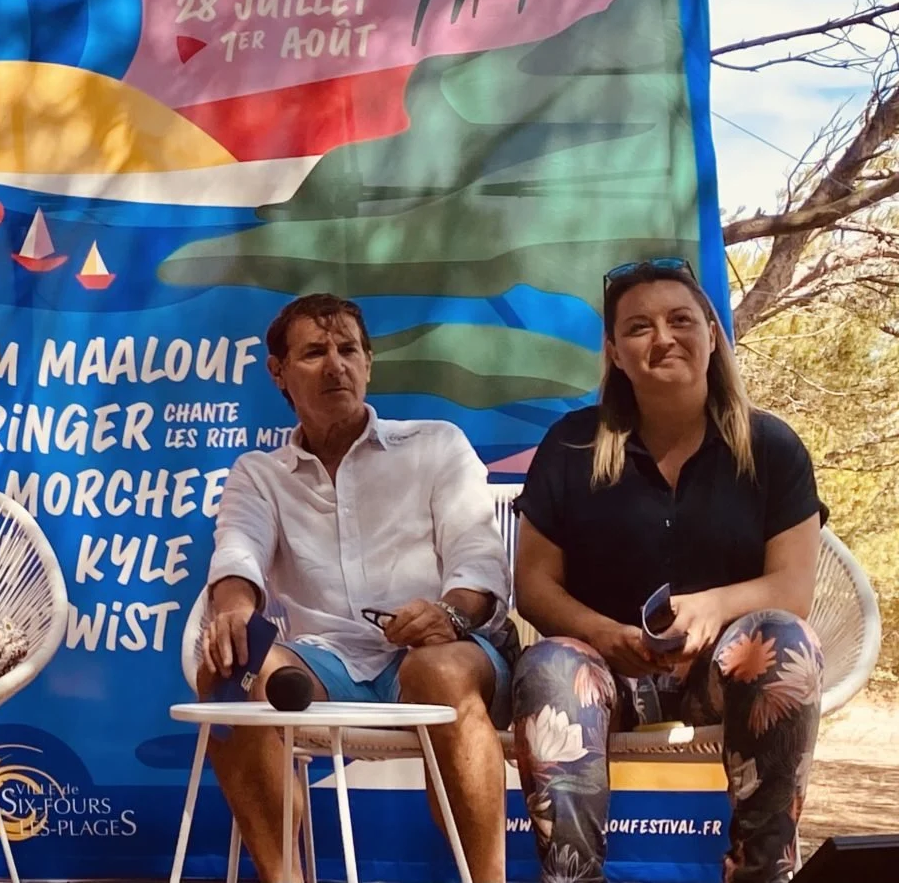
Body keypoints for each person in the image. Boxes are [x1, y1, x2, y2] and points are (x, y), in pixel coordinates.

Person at [512, 258, 825, 883]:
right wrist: (602, 633)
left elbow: (792, 589)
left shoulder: (772, 448)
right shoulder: (571, 445)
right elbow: (534, 586)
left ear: (712, 333)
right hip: (605, 674)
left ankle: (761, 871)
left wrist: (714, 606)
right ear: (614, 352)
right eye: (638, 327)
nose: (663, 338)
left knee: (781, 641)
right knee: (550, 666)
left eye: (681, 320)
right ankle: (573, 877)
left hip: (721, 676)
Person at [200, 292, 512, 883]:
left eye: (348, 350)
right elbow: (237, 553)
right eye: (314, 353)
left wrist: (449, 614)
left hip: (440, 651)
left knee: (437, 671)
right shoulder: (259, 474)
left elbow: (479, 561)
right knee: (232, 668)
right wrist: (236, 612)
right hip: (323, 665)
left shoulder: (436, 444)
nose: (335, 366)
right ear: (279, 373)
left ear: (368, 362)